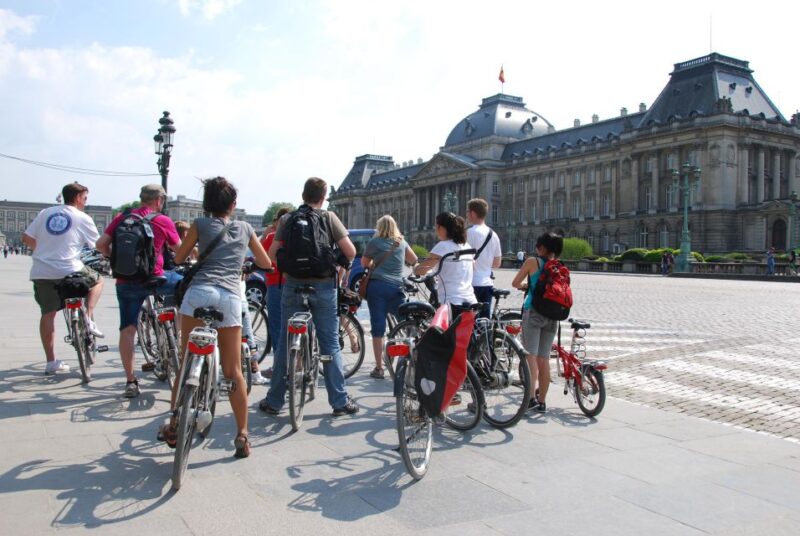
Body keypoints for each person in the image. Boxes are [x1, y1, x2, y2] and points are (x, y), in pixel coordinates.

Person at [162, 177, 271, 458]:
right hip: (230, 297)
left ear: (206, 205)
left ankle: (174, 421)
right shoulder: (245, 228)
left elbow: (178, 258)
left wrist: (197, 253)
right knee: (233, 371)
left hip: (198, 293)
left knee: (187, 360)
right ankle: (242, 435)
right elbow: (266, 263)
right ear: (233, 205)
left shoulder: (199, 225)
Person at [261, 177, 359, 417]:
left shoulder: (286, 219)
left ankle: (274, 401)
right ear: (323, 197)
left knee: (285, 341)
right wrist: (339, 267)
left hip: (292, 285)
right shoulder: (329, 217)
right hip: (324, 286)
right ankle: (339, 401)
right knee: (331, 345)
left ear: (303, 195)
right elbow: (351, 251)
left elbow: (271, 254)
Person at [96, 184, 181, 397]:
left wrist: (113, 258)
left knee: (127, 329)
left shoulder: (122, 218)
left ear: (141, 198)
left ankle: (131, 380)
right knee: (186, 286)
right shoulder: (162, 220)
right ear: (159, 201)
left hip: (127, 280)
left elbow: (100, 244)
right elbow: (179, 249)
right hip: (156, 277)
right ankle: (176, 332)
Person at [22, 182, 105, 375]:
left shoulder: (45, 213)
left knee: (48, 314)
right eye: (85, 198)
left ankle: (51, 361)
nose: (85, 202)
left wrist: (43, 252)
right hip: (71, 269)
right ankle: (89, 316)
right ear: (77, 198)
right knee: (98, 280)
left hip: (42, 270)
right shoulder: (82, 217)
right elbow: (98, 246)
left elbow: (26, 237)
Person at [511, 231, 564, 414]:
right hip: (553, 315)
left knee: (530, 358)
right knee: (544, 359)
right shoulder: (558, 266)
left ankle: (531, 398)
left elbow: (515, 282)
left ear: (541, 247)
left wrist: (526, 285)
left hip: (533, 312)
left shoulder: (532, 261)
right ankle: (542, 402)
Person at [361, 215, 417, 379]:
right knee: (405, 324)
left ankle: (379, 368)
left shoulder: (374, 242)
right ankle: (409, 360)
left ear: (380, 228)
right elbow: (413, 260)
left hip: (377, 287)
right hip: (396, 288)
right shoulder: (401, 242)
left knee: (378, 330)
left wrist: (375, 264)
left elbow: (364, 263)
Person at [414, 212, 476, 315]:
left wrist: (415, 267)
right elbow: (473, 267)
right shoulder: (466, 246)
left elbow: (422, 269)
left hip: (451, 301)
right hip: (470, 300)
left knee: (435, 331)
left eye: (436, 226)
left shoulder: (443, 246)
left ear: (441, 228)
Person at [258, 207, 292, 379]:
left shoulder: (272, 237)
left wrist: (266, 234)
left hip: (276, 283)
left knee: (277, 328)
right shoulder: (296, 237)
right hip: (294, 283)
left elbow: (259, 257)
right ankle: (298, 362)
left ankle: (279, 368)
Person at [466, 198, 502, 319]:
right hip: (487, 283)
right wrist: (484, 264)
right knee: (484, 321)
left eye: (468, 212)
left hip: (471, 283)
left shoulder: (468, 233)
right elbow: (497, 263)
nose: (467, 215)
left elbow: (459, 258)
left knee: (469, 321)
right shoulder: (494, 234)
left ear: (473, 213)